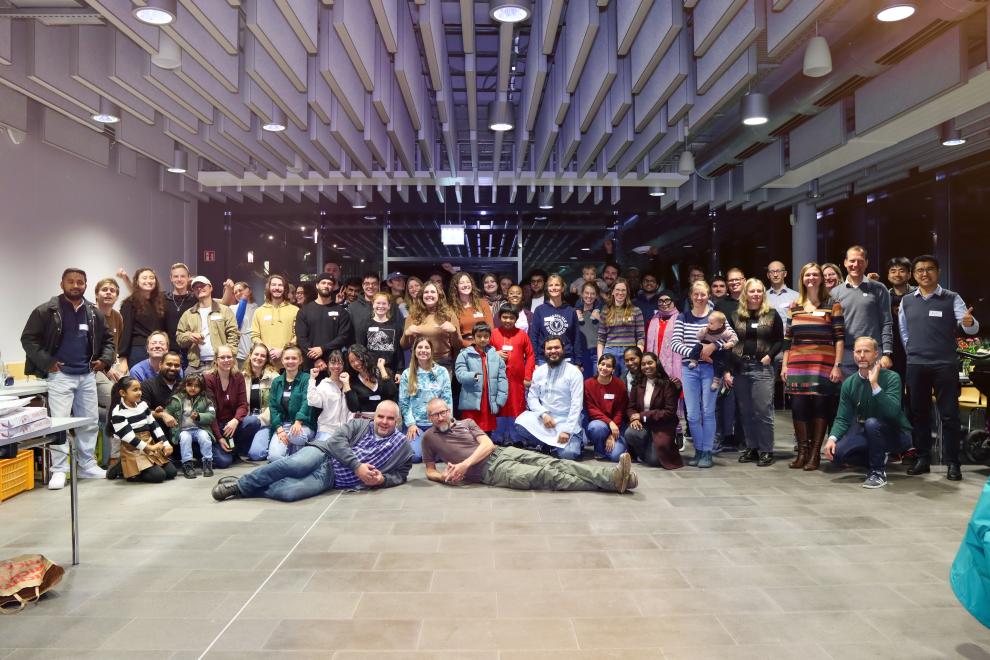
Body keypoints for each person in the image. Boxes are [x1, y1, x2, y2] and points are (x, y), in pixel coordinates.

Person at [20, 268, 115, 488]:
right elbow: (28, 339)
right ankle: (60, 469)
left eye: (80, 282)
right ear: (62, 284)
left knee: (89, 421)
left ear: (85, 285)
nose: (75, 286)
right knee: (59, 423)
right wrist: (47, 362)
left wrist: (104, 360)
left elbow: (108, 340)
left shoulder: (93, 312)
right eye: (70, 282)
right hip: (60, 375)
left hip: (87, 374)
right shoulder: (46, 311)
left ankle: (87, 465)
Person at [211, 401, 412, 502]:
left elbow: (401, 475)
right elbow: (336, 442)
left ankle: (249, 487)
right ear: (374, 417)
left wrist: (382, 481)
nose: (384, 422)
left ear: (398, 421)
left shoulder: (402, 447)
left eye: (390, 419)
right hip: (324, 454)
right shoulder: (359, 424)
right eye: (381, 417)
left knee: (288, 492)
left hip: (332, 478)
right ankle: (239, 486)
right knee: (294, 464)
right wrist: (357, 467)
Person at [422, 399, 637, 493]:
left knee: (556, 463)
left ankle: (613, 477)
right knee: (547, 475)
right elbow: (430, 470)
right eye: (435, 414)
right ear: (429, 417)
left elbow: (487, 444)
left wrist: (464, 465)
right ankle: (613, 481)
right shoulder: (429, 438)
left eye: (443, 412)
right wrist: (445, 477)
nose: (441, 417)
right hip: (492, 472)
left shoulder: (467, 423)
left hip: (502, 452)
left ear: (448, 410)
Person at [901, 255, 980, 481]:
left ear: (938, 272)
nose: (924, 274)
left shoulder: (951, 298)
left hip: (945, 364)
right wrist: (914, 354)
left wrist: (969, 323)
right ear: (914, 275)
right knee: (918, 415)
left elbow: (969, 327)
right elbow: (904, 332)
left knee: (949, 416)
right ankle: (923, 459)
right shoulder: (907, 301)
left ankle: (953, 463)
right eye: (919, 270)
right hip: (916, 364)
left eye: (929, 269)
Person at [823, 337, 912, 488]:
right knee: (837, 455)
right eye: (858, 351)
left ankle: (877, 472)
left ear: (876, 354)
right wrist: (832, 438)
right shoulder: (849, 383)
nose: (862, 355)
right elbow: (842, 418)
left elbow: (892, 412)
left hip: (896, 434)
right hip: (867, 431)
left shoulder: (892, 378)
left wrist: (874, 384)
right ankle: (876, 455)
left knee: (872, 423)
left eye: (867, 351)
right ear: (853, 355)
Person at [782, 263, 845, 471]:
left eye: (815, 274)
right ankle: (802, 453)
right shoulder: (794, 306)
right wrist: (784, 366)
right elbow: (787, 339)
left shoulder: (832, 305)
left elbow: (839, 338)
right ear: (802, 278)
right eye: (807, 274)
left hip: (823, 364)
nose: (812, 278)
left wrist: (837, 365)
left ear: (821, 278)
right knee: (799, 408)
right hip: (797, 365)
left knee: (820, 407)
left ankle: (815, 455)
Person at [724, 279, 783, 466]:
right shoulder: (735, 316)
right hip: (741, 368)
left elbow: (780, 340)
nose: (756, 294)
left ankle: (766, 450)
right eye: (752, 291)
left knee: (763, 411)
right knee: (746, 411)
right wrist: (728, 370)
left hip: (762, 367)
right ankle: (752, 447)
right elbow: (728, 344)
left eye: (759, 291)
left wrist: (770, 356)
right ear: (745, 294)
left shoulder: (772, 315)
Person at [670, 281, 722, 468]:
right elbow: (674, 343)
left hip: (711, 369)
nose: (700, 298)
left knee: (708, 412)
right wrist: (698, 353)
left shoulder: (715, 317)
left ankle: (707, 452)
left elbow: (731, 339)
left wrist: (714, 346)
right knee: (692, 414)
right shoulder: (683, 317)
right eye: (696, 294)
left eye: (703, 294)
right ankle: (698, 450)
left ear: (708, 295)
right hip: (689, 369)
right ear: (691, 296)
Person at [513, 337, 585, 460]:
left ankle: (578, 439)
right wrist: (543, 414)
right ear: (544, 351)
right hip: (546, 420)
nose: (553, 351)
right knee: (520, 424)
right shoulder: (539, 371)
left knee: (568, 455)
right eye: (549, 348)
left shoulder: (574, 372)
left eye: (556, 347)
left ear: (563, 350)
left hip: (567, 421)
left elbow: (577, 404)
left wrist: (567, 431)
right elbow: (532, 398)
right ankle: (547, 444)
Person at [829, 246, 893, 377]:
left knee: (874, 394)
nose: (855, 265)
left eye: (860, 261)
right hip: (845, 355)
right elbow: (831, 327)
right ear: (845, 262)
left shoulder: (879, 288)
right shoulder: (834, 293)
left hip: (873, 354)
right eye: (852, 261)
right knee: (849, 395)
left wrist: (887, 353)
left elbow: (887, 323)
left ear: (866, 263)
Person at [109, 376, 177, 483]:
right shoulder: (118, 412)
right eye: (135, 390)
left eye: (140, 389)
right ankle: (126, 469)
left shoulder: (143, 405)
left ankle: (124, 465)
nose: (139, 392)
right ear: (123, 393)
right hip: (132, 449)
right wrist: (149, 447)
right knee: (159, 476)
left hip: (149, 443)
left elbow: (154, 425)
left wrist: (166, 443)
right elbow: (129, 437)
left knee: (171, 472)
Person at [399, 337, 453, 462]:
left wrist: (447, 421)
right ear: (414, 351)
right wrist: (411, 424)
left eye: (427, 347)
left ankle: (432, 449)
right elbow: (404, 402)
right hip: (416, 426)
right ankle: (427, 448)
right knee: (415, 457)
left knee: (446, 456)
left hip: (437, 424)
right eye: (420, 347)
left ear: (431, 351)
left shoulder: (441, 372)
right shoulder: (407, 374)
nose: (423, 350)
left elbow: (447, 399)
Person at [625, 351, 683, 469]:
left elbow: (669, 412)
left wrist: (641, 416)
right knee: (630, 433)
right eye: (643, 364)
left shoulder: (667, 384)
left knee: (654, 461)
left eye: (650, 363)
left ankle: (654, 450)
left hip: (662, 425)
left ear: (657, 364)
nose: (646, 366)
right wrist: (633, 419)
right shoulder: (637, 383)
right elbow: (631, 407)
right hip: (644, 425)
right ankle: (647, 450)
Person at [176, 276, 239, 375]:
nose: (199, 288)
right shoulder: (188, 314)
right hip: (195, 365)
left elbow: (234, 335)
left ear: (211, 288)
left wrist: (228, 356)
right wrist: (189, 337)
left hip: (219, 363)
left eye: (202, 285)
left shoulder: (224, 311)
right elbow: (179, 338)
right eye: (196, 287)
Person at [490, 304, 535, 443]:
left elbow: (531, 355)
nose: (508, 320)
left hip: (517, 380)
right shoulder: (493, 333)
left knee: (517, 406)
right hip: (497, 380)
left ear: (516, 318)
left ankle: (517, 439)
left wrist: (528, 376)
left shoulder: (522, 335)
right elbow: (484, 352)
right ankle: (498, 438)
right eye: (505, 317)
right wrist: (494, 353)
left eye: (511, 317)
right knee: (499, 406)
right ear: (499, 317)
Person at [454, 323, 507, 433]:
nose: (482, 339)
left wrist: (501, 399)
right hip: (471, 400)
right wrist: (473, 376)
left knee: (487, 432)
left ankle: (487, 449)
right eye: (479, 336)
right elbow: (459, 374)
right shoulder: (464, 354)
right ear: (473, 337)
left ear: (489, 337)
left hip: (488, 402)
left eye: (486, 336)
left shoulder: (495, 356)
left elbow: (502, 378)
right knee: (470, 432)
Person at [267, 345, 316, 461]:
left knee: (296, 436)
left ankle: (296, 456)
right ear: (282, 361)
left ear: (300, 360)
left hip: (302, 424)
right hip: (283, 425)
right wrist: (279, 429)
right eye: (287, 358)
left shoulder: (307, 378)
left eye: (294, 358)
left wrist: (298, 421)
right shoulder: (276, 382)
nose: (290, 361)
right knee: (274, 457)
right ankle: (295, 456)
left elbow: (307, 401)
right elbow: (272, 407)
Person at [400, 281, 462, 373]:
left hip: (443, 364)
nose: (429, 295)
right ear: (421, 296)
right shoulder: (413, 315)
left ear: (439, 295)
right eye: (426, 292)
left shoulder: (449, 314)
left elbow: (458, 345)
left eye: (433, 292)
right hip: (419, 363)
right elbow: (404, 345)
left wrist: (454, 331)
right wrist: (406, 334)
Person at [295, 273, 353, 370]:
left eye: (330, 284)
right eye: (323, 283)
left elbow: (343, 336)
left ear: (333, 287)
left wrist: (322, 349)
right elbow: (301, 338)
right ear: (317, 285)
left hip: (334, 364)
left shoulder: (341, 312)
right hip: (311, 364)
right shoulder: (304, 311)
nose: (326, 286)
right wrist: (316, 359)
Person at [165, 373, 217, 478]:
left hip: (200, 428)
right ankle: (187, 464)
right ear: (184, 385)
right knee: (185, 439)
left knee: (205, 438)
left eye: (197, 386)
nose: (193, 388)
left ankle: (208, 463)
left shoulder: (206, 400)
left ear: (201, 387)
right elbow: (167, 412)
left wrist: (199, 416)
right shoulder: (176, 399)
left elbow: (212, 415)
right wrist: (165, 414)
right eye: (190, 385)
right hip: (183, 430)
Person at [203, 346, 247, 469]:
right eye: (222, 357)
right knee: (224, 462)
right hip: (214, 425)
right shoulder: (208, 379)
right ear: (216, 360)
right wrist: (219, 437)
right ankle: (210, 447)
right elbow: (210, 411)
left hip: (231, 425)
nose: (226, 360)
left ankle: (234, 449)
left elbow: (243, 404)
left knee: (253, 422)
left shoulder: (238, 376)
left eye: (229, 357)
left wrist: (236, 420)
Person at [530, 274, 585, 368]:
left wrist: (578, 362)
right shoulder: (539, 310)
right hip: (544, 359)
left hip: (567, 359)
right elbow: (533, 337)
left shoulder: (571, 311)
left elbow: (576, 338)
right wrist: (535, 361)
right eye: (551, 285)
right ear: (547, 288)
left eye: (557, 285)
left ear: (562, 288)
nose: (554, 288)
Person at [118, 267, 166, 370]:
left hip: (158, 349)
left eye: (151, 278)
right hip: (138, 350)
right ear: (137, 281)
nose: (148, 281)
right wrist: (123, 357)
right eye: (144, 278)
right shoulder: (130, 303)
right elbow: (126, 331)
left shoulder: (160, 301)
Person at [583, 354, 628, 462]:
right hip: (600, 425)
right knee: (596, 427)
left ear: (613, 369)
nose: (604, 368)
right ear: (598, 365)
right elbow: (591, 409)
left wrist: (612, 434)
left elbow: (620, 410)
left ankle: (616, 445)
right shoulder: (588, 384)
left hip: (617, 427)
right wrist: (609, 422)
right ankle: (599, 449)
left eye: (608, 366)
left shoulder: (620, 385)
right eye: (602, 364)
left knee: (616, 456)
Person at [597, 278, 645, 377]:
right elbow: (601, 338)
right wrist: (600, 360)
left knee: (628, 385)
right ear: (613, 291)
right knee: (611, 385)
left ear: (627, 292)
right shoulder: (605, 311)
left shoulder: (636, 311)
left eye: (623, 290)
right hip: (610, 351)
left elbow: (641, 337)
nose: (620, 293)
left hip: (629, 353)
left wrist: (638, 355)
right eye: (618, 290)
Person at [239, 344, 279, 461]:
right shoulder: (241, 377)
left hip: (264, 421)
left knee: (256, 454)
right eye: (256, 354)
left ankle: (269, 440)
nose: (259, 358)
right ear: (250, 355)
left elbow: (275, 405)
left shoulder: (274, 377)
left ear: (266, 359)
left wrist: (260, 420)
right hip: (246, 420)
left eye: (263, 356)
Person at [250, 274, 298, 368]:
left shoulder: (295, 310)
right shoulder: (259, 311)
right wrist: (266, 350)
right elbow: (255, 336)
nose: (277, 288)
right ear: (268, 288)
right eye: (274, 285)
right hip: (266, 362)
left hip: (289, 362)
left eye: (280, 285)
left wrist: (282, 350)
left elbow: (298, 336)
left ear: (285, 289)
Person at [343, 343, 399, 418]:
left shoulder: (382, 372)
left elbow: (392, 393)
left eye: (358, 358)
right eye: (352, 361)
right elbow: (353, 408)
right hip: (365, 421)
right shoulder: (353, 380)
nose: (356, 363)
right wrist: (346, 384)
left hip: (385, 418)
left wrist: (382, 368)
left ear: (365, 356)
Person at [686, 310, 737, 391]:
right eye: (708, 322)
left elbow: (734, 338)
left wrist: (730, 343)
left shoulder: (725, 332)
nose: (708, 325)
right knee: (697, 346)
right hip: (704, 346)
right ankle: (694, 361)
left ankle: (716, 381)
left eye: (711, 323)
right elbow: (698, 337)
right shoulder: (706, 329)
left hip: (717, 352)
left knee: (719, 363)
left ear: (720, 325)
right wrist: (703, 332)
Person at [359, 291, 405, 377]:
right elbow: (361, 347)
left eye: (384, 303)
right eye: (378, 303)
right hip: (370, 370)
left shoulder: (395, 326)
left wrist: (400, 371)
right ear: (373, 304)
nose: (381, 306)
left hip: (391, 369)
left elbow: (399, 350)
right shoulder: (365, 324)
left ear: (389, 306)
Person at [307, 351, 351, 437]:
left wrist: (347, 384)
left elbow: (353, 407)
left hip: (345, 431)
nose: (336, 366)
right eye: (333, 363)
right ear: (328, 364)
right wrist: (312, 379)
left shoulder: (348, 383)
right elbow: (313, 401)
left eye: (340, 363)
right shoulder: (324, 384)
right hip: (326, 430)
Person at [140, 350, 183, 440]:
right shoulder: (147, 385)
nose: (172, 368)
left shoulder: (184, 386)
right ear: (160, 365)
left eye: (177, 365)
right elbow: (141, 411)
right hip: (158, 436)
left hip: (183, 435)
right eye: (169, 364)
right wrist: (162, 415)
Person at [886, 256, 915, 386]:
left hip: (914, 350)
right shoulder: (884, 296)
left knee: (915, 392)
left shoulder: (918, 294)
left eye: (902, 270)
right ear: (888, 275)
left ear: (909, 274)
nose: (897, 274)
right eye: (893, 271)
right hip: (891, 350)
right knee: (894, 390)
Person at [449, 272, 495, 348]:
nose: (466, 285)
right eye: (461, 283)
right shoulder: (452, 308)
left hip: (484, 346)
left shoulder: (483, 303)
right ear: (456, 286)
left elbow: (490, 328)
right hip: (463, 349)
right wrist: (470, 346)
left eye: (468, 282)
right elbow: (454, 336)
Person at [349, 272, 390, 348]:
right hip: (359, 354)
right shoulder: (353, 307)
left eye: (374, 283)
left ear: (378, 285)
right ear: (362, 285)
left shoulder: (387, 305)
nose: (370, 286)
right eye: (367, 283)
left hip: (382, 353)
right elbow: (348, 333)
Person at [576, 281, 604, 375]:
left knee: (596, 383)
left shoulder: (601, 312)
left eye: (592, 294)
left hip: (596, 353)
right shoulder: (575, 312)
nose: (589, 296)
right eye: (586, 293)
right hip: (580, 354)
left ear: (596, 296)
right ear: (582, 294)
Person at [229, 281, 257, 367]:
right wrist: (243, 301)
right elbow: (237, 324)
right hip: (239, 354)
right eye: (235, 292)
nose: (237, 293)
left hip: (254, 353)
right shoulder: (232, 308)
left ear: (248, 290)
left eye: (240, 290)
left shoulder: (257, 308)